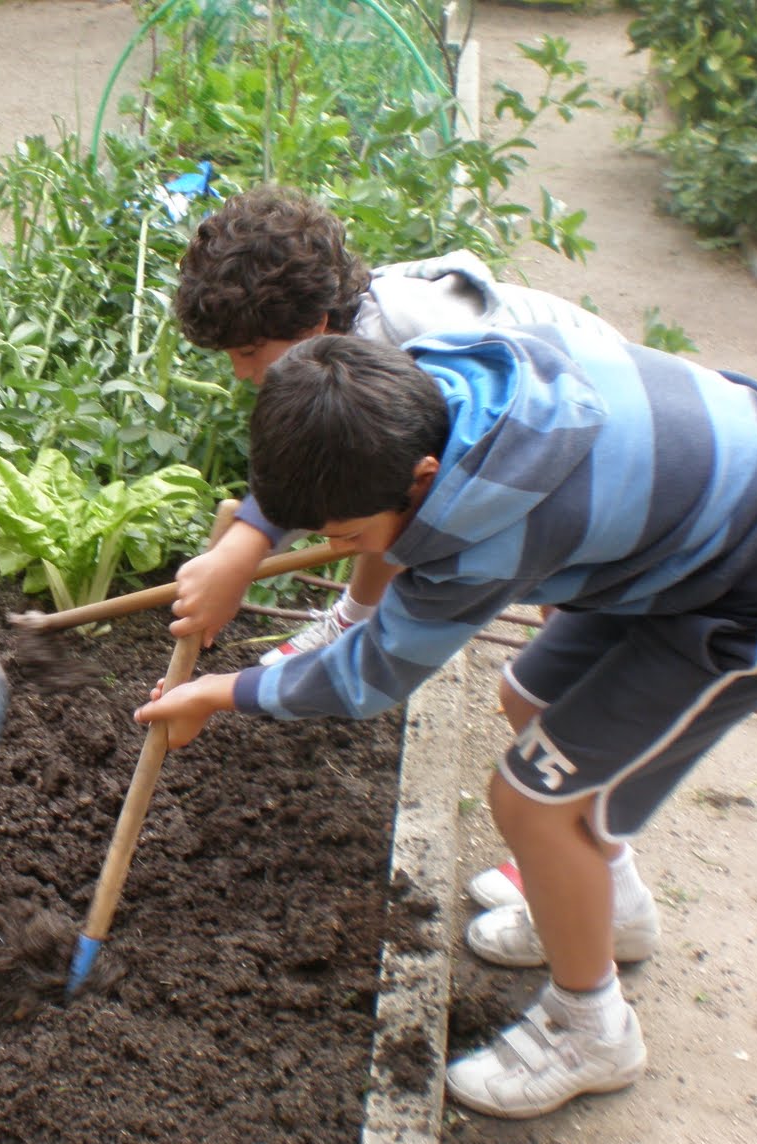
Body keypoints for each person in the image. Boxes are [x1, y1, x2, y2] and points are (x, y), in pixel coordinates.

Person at [137, 329, 757, 1119]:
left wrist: (222, 692)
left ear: (424, 479)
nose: (338, 550)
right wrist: (246, 544)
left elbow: (370, 676)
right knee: (527, 702)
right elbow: (318, 463)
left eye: (351, 536)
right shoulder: (418, 383)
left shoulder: (485, 533)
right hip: (683, 537)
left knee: (532, 801)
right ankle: (611, 908)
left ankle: (591, 1029)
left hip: (734, 596)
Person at [173, 183, 638, 914]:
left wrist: (245, 550)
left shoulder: (408, 346)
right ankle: (356, 617)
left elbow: (365, 469)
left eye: (249, 351)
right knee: (387, 511)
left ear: (316, 321)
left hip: (578, 447)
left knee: (566, 675)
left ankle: (579, 848)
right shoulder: (340, 343)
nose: (241, 371)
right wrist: (244, 546)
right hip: (555, 459)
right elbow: (342, 470)